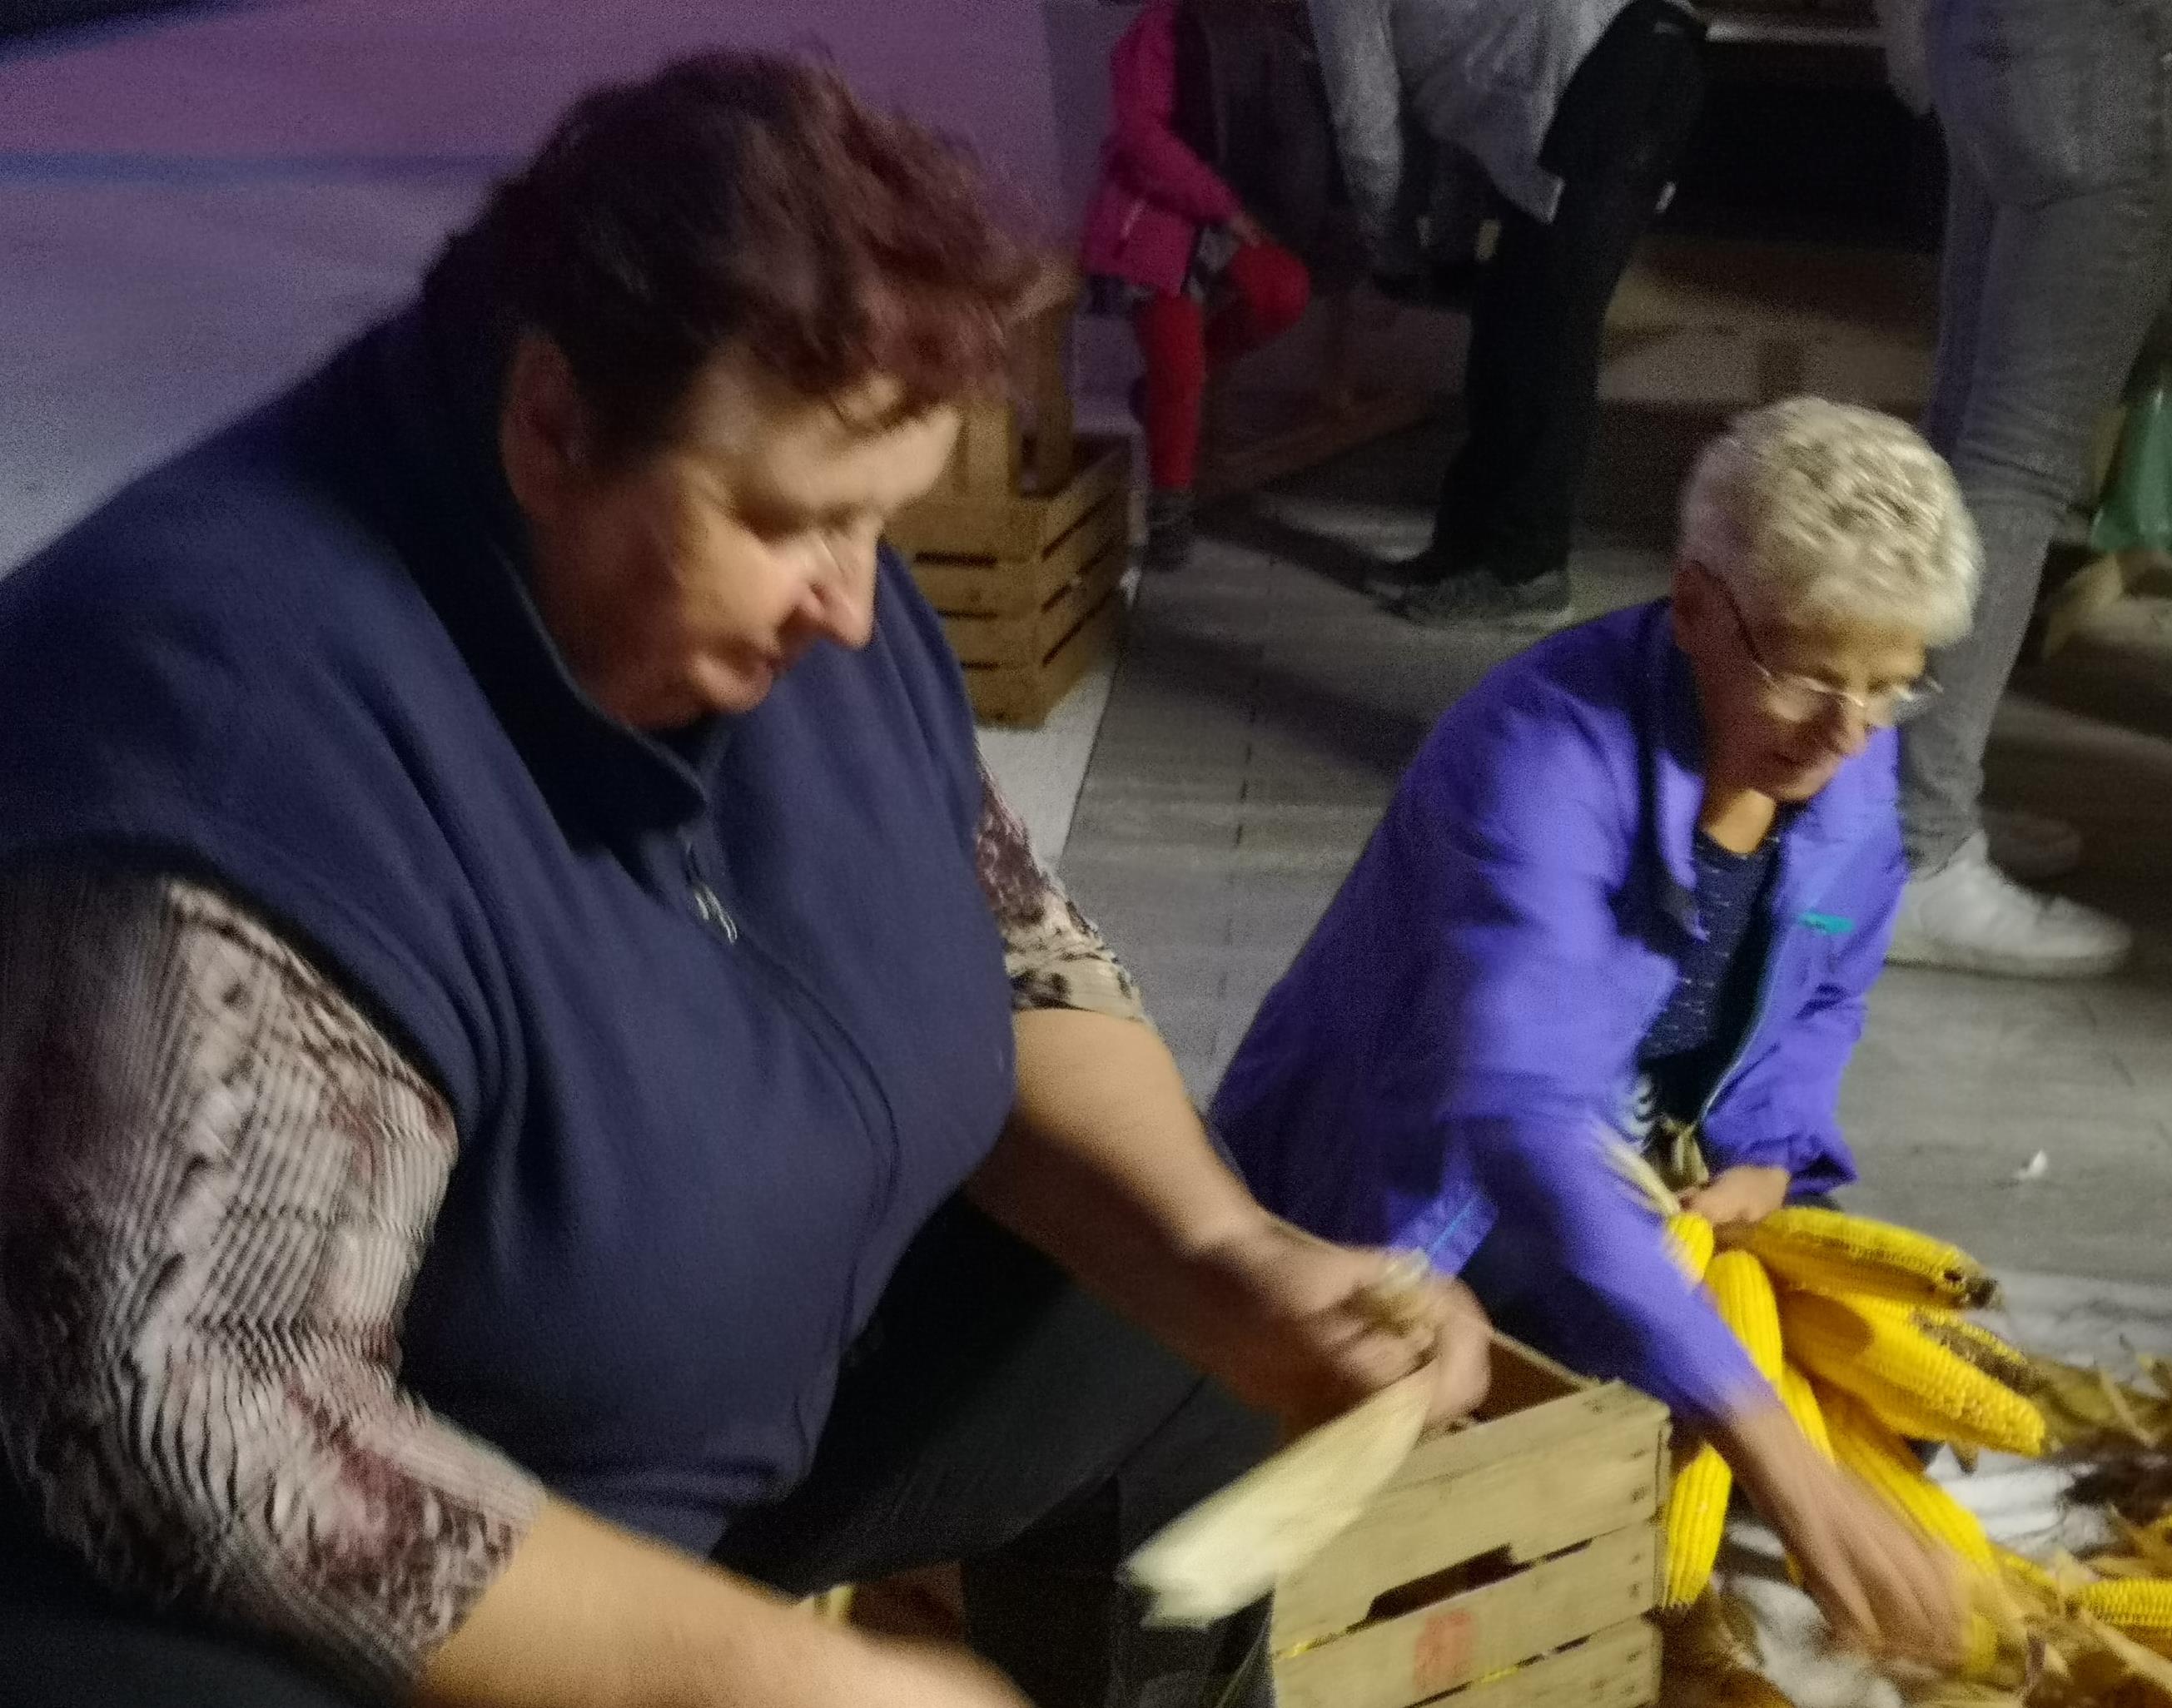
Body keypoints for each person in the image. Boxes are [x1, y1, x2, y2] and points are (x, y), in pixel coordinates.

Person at [0, 55, 1489, 1708]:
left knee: (1177, 1349)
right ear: (552, 424)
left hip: (712, 1394)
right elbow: (194, 1423)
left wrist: (1221, 1254)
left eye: (879, 524)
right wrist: (760, 1676)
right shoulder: (227, 767)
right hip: (324, 1562)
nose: (851, 607)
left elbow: (1001, 928)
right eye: (792, 523)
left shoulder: (766, 588)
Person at [1215, 400, 1978, 1661]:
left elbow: (1830, 980)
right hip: (1436, 1186)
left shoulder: (1848, 748)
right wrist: (1772, 1447)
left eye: (1892, 687)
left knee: (1895, 1404)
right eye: (1809, 673)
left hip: (1658, 1164)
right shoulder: (1538, 755)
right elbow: (1520, 1118)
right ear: (1695, 607)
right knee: (1466, 1500)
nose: (1849, 732)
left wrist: (1770, 1147)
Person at [1881, 0, 2172, 977]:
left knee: (1968, 430)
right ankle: (1922, 849)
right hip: (2116, 59)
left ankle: (1902, 799)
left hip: (1990, 40)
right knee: (2019, 458)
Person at [1305, 0, 1707, 628]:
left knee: (1546, 350)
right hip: (1618, 60)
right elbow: (1472, 117)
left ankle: (1527, 570)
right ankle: (1466, 550)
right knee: (1504, 335)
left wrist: (1392, 265)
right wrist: (1450, 251)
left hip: (1602, 80)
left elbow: (1367, 120)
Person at [1081, 0, 1315, 574]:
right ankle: (1170, 505)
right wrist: (1224, 205)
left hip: (1230, 206)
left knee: (1282, 291)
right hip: (1154, 211)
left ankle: (1164, 399)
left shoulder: (1263, 25)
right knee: (1178, 365)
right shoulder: (1161, 28)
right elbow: (1143, 137)